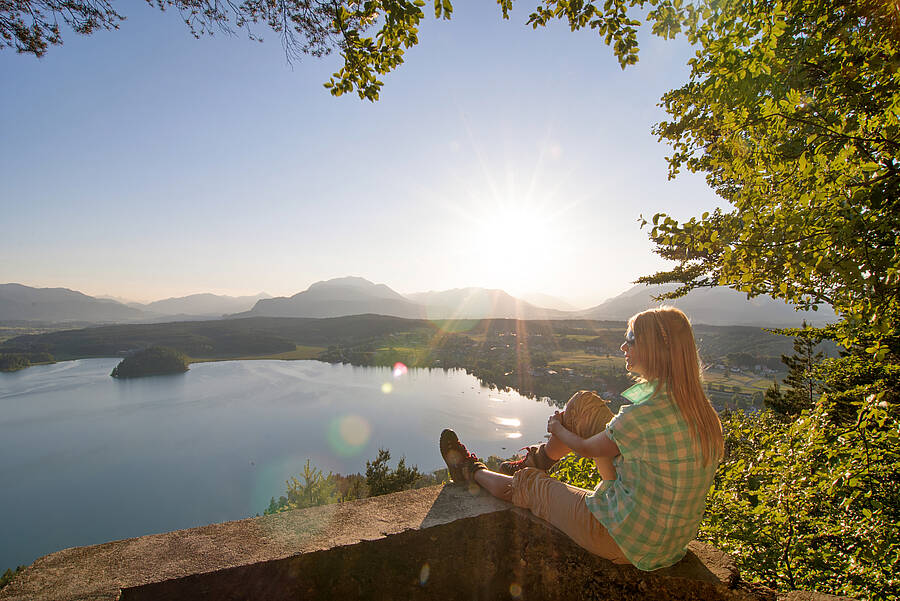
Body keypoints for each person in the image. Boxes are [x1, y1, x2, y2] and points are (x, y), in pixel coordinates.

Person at [439, 306, 724, 570]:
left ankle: (469, 471)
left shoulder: (644, 414)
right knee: (584, 405)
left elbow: (587, 448)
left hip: (622, 539)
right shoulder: (701, 411)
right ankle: (536, 461)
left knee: (529, 487)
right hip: (664, 541)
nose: (623, 346)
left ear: (653, 349)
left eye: (630, 338)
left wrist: (557, 428)